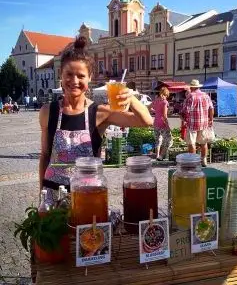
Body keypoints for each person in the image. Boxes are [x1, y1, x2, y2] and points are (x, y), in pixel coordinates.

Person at [39, 36, 153, 204]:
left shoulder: (100, 112)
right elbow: (45, 155)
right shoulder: (48, 111)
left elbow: (146, 121)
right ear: (60, 76)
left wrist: (131, 98)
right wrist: (41, 195)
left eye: (81, 76)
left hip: (87, 195)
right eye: (69, 74)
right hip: (52, 194)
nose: (74, 81)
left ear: (90, 77)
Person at [180, 79, 214, 167]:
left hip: (192, 123)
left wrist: (183, 119)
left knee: (191, 143)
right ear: (198, 87)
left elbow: (185, 110)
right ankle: (204, 160)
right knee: (203, 142)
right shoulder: (206, 95)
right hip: (204, 123)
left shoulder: (190, 96)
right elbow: (211, 108)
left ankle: (193, 161)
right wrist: (211, 119)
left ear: (191, 87)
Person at [150, 87, 173, 161]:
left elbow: (149, 107)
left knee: (158, 140)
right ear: (166, 94)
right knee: (169, 141)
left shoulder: (156, 100)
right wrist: (168, 125)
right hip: (162, 123)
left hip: (156, 123)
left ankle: (157, 156)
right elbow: (164, 115)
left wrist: (156, 111)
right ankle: (161, 156)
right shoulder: (165, 102)